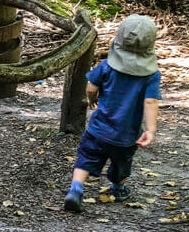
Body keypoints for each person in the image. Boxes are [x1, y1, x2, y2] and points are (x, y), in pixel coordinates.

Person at [64, 14, 161, 213]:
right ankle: (117, 187)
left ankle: (76, 188)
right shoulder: (151, 75)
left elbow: (91, 87)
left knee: (86, 156)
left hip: (98, 129)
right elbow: (150, 101)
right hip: (126, 136)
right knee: (121, 163)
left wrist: (91, 99)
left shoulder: (107, 66)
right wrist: (150, 130)